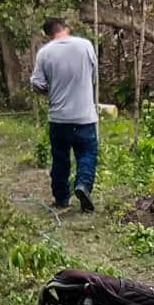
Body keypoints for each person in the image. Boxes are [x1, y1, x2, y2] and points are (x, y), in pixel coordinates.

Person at [30, 17, 100, 212]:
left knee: (60, 160)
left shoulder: (44, 53)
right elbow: (93, 75)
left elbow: (36, 83)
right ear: (66, 28)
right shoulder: (85, 45)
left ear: (48, 34)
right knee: (87, 153)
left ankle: (61, 198)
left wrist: (50, 90)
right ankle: (83, 185)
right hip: (84, 116)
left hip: (59, 118)